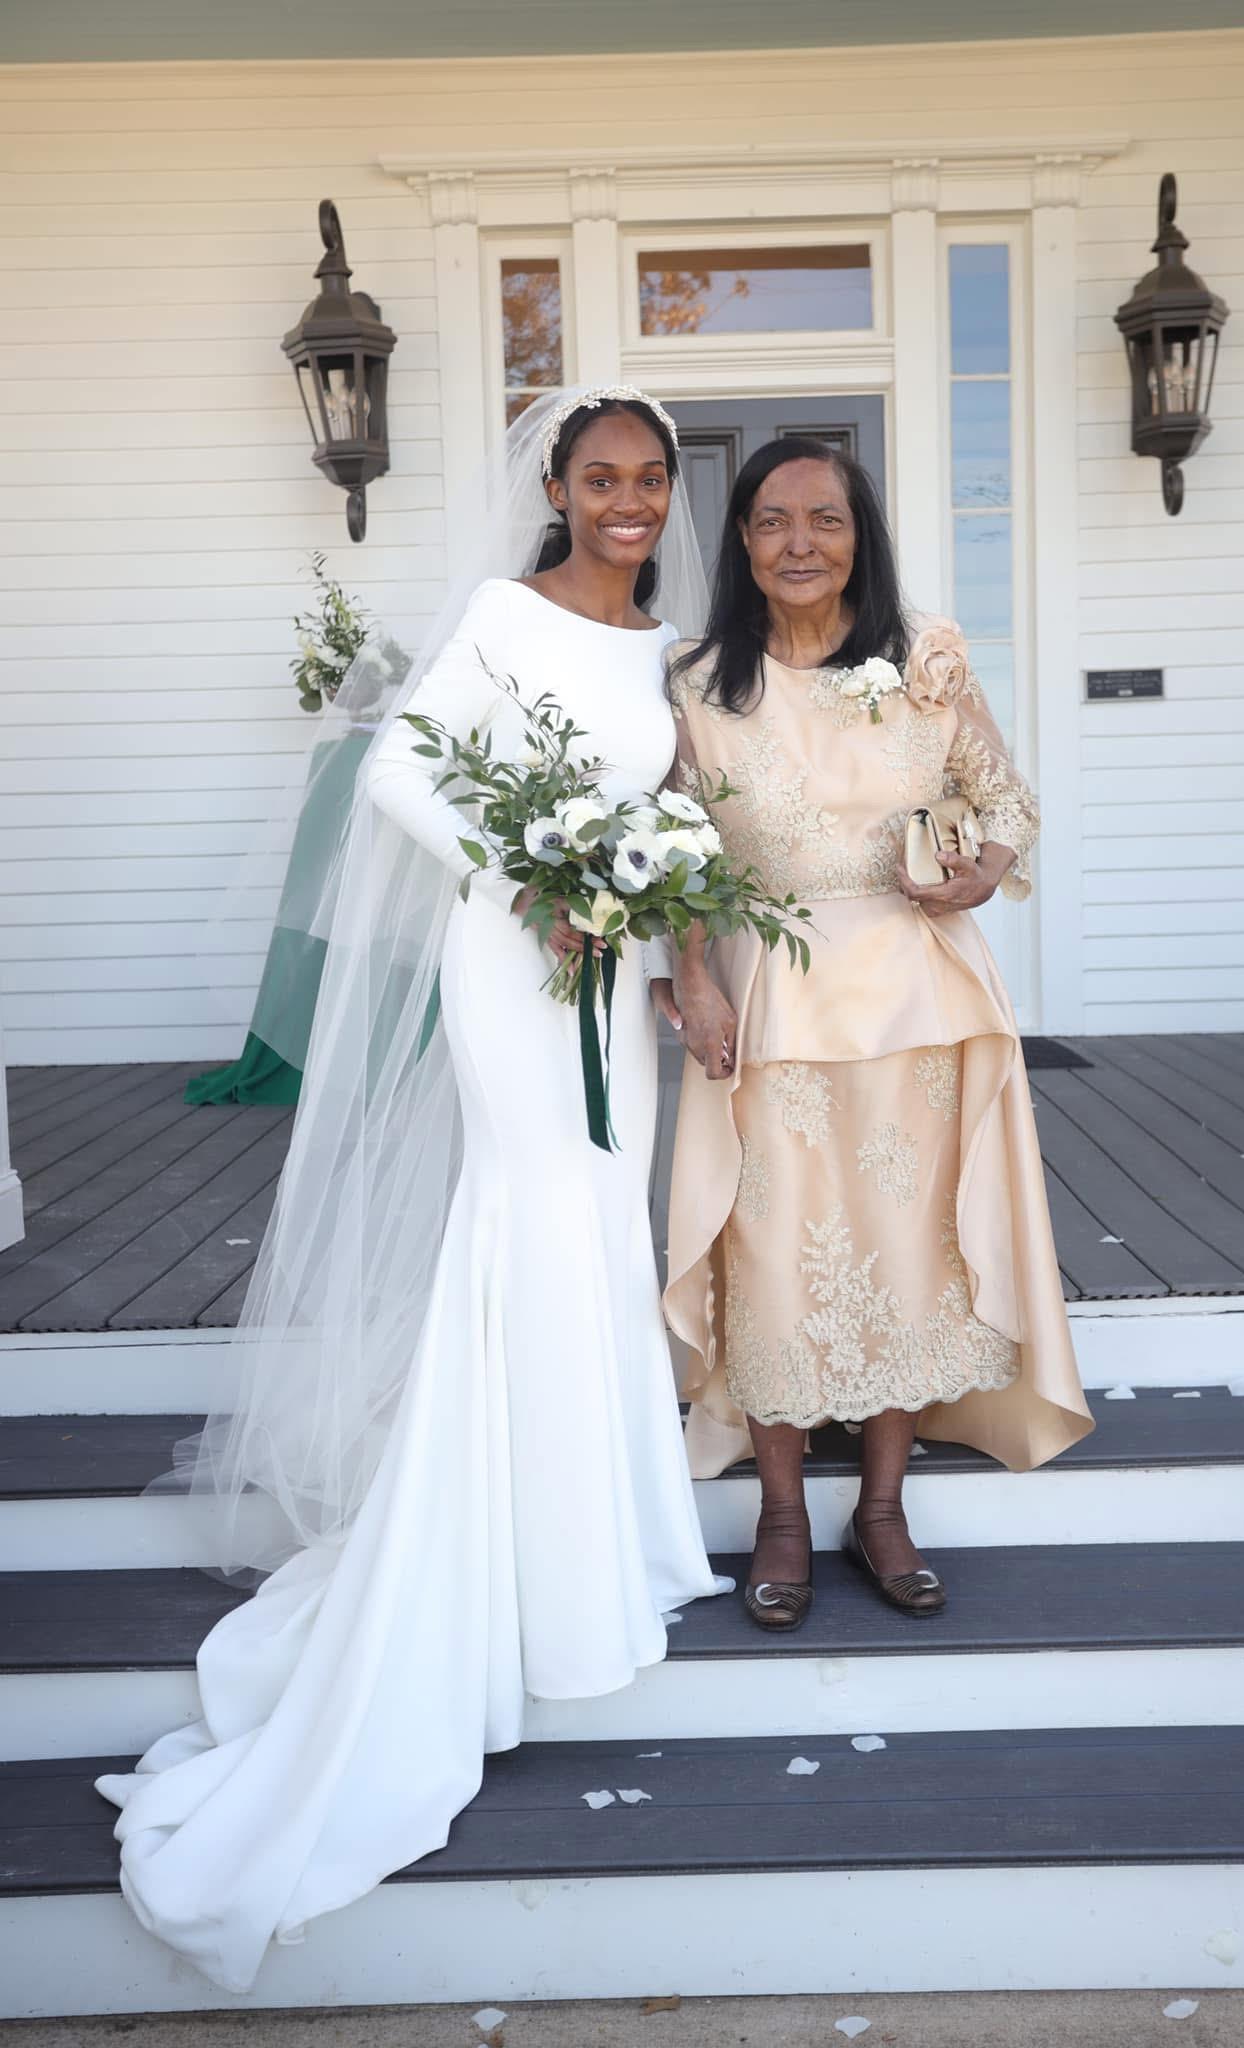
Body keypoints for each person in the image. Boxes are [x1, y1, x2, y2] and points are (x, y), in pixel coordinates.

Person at [95, 386, 729, 1994]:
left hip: (615, 980)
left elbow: (666, 811)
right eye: (603, 478)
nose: (631, 501)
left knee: (598, 1228)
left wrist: (654, 927)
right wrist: (535, 878)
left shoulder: (658, 642)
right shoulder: (506, 616)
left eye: (651, 478)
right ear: (560, 486)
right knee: (523, 1224)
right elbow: (399, 781)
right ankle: (495, 1573)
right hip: (516, 969)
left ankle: (596, 1551)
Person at [653, 437, 1092, 1631]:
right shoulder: (692, 684)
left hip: (915, 996)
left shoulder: (926, 659)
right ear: (740, 541)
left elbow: (1003, 799)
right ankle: (783, 1513)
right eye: (771, 521)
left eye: (825, 519)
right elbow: (671, 859)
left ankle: (882, 1504)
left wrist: (983, 870)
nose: (799, 543)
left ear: (860, 536)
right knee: (777, 1252)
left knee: (907, 1246)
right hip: (768, 998)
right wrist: (690, 980)